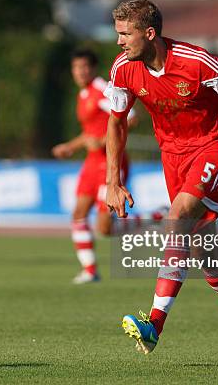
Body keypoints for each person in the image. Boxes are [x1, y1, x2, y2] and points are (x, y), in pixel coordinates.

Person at [104, 0, 218, 361]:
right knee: (200, 246)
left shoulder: (197, 62)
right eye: (118, 33)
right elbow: (116, 122)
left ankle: (154, 324)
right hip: (173, 157)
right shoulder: (123, 68)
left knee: (178, 215)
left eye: (125, 34)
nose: (119, 42)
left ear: (149, 33)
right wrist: (113, 180)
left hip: (215, 146)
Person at [52, 49, 139, 284]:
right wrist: (71, 146)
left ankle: (156, 218)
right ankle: (90, 270)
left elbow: (131, 116)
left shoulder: (102, 88)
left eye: (84, 67)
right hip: (92, 162)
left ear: (93, 68)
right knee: (78, 214)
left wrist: (102, 142)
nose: (80, 72)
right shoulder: (83, 94)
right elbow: (91, 132)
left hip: (110, 162)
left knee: (105, 228)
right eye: (76, 67)